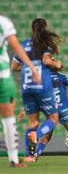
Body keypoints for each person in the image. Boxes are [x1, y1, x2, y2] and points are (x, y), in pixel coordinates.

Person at [10, 17, 63, 162]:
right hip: (42, 86)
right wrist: (56, 65)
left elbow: (13, 67)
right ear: (45, 29)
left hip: (27, 88)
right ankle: (37, 135)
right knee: (53, 118)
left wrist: (29, 66)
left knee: (32, 122)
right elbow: (46, 61)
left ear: (31, 30)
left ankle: (29, 155)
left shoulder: (23, 45)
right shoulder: (44, 44)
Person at [15, 64, 68, 160]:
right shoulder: (62, 77)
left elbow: (34, 96)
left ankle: (36, 154)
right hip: (64, 109)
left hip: (51, 109)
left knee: (47, 136)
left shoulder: (43, 78)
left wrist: (25, 109)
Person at [0, 15, 41, 168]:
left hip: (3, 75)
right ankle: (14, 160)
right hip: (2, 77)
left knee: (9, 118)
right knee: (8, 119)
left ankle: (14, 160)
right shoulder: (4, 22)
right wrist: (31, 67)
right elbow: (16, 46)